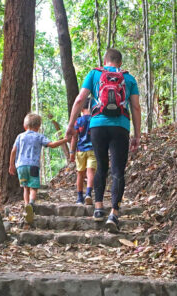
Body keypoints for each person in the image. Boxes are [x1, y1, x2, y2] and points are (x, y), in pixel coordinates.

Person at [67, 48, 141, 233]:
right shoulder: (128, 79)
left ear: (105, 60)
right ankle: (114, 213)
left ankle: (98, 208)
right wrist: (137, 135)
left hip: (97, 125)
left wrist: (71, 125)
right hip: (121, 127)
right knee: (117, 170)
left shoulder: (94, 74)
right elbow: (136, 107)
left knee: (101, 165)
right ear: (120, 63)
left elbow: (79, 99)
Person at [9, 112, 69, 224]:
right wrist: (65, 140)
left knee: (25, 187)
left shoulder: (20, 136)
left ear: (24, 125)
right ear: (38, 126)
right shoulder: (39, 136)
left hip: (20, 166)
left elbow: (13, 151)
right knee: (33, 187)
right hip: (33, 165)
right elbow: (52, 145)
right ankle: (31, 203)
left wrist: (11, 164)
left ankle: (27, 208)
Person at [69, 105, 95, 205]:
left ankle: (79, 198)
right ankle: (88, 194)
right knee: (90, 172)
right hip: (93, 149)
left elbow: (74, 137)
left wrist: (72, 152)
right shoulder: (95, 119)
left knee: (80, 174)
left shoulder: (78, 121)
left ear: (81, 109)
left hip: (80, 150)